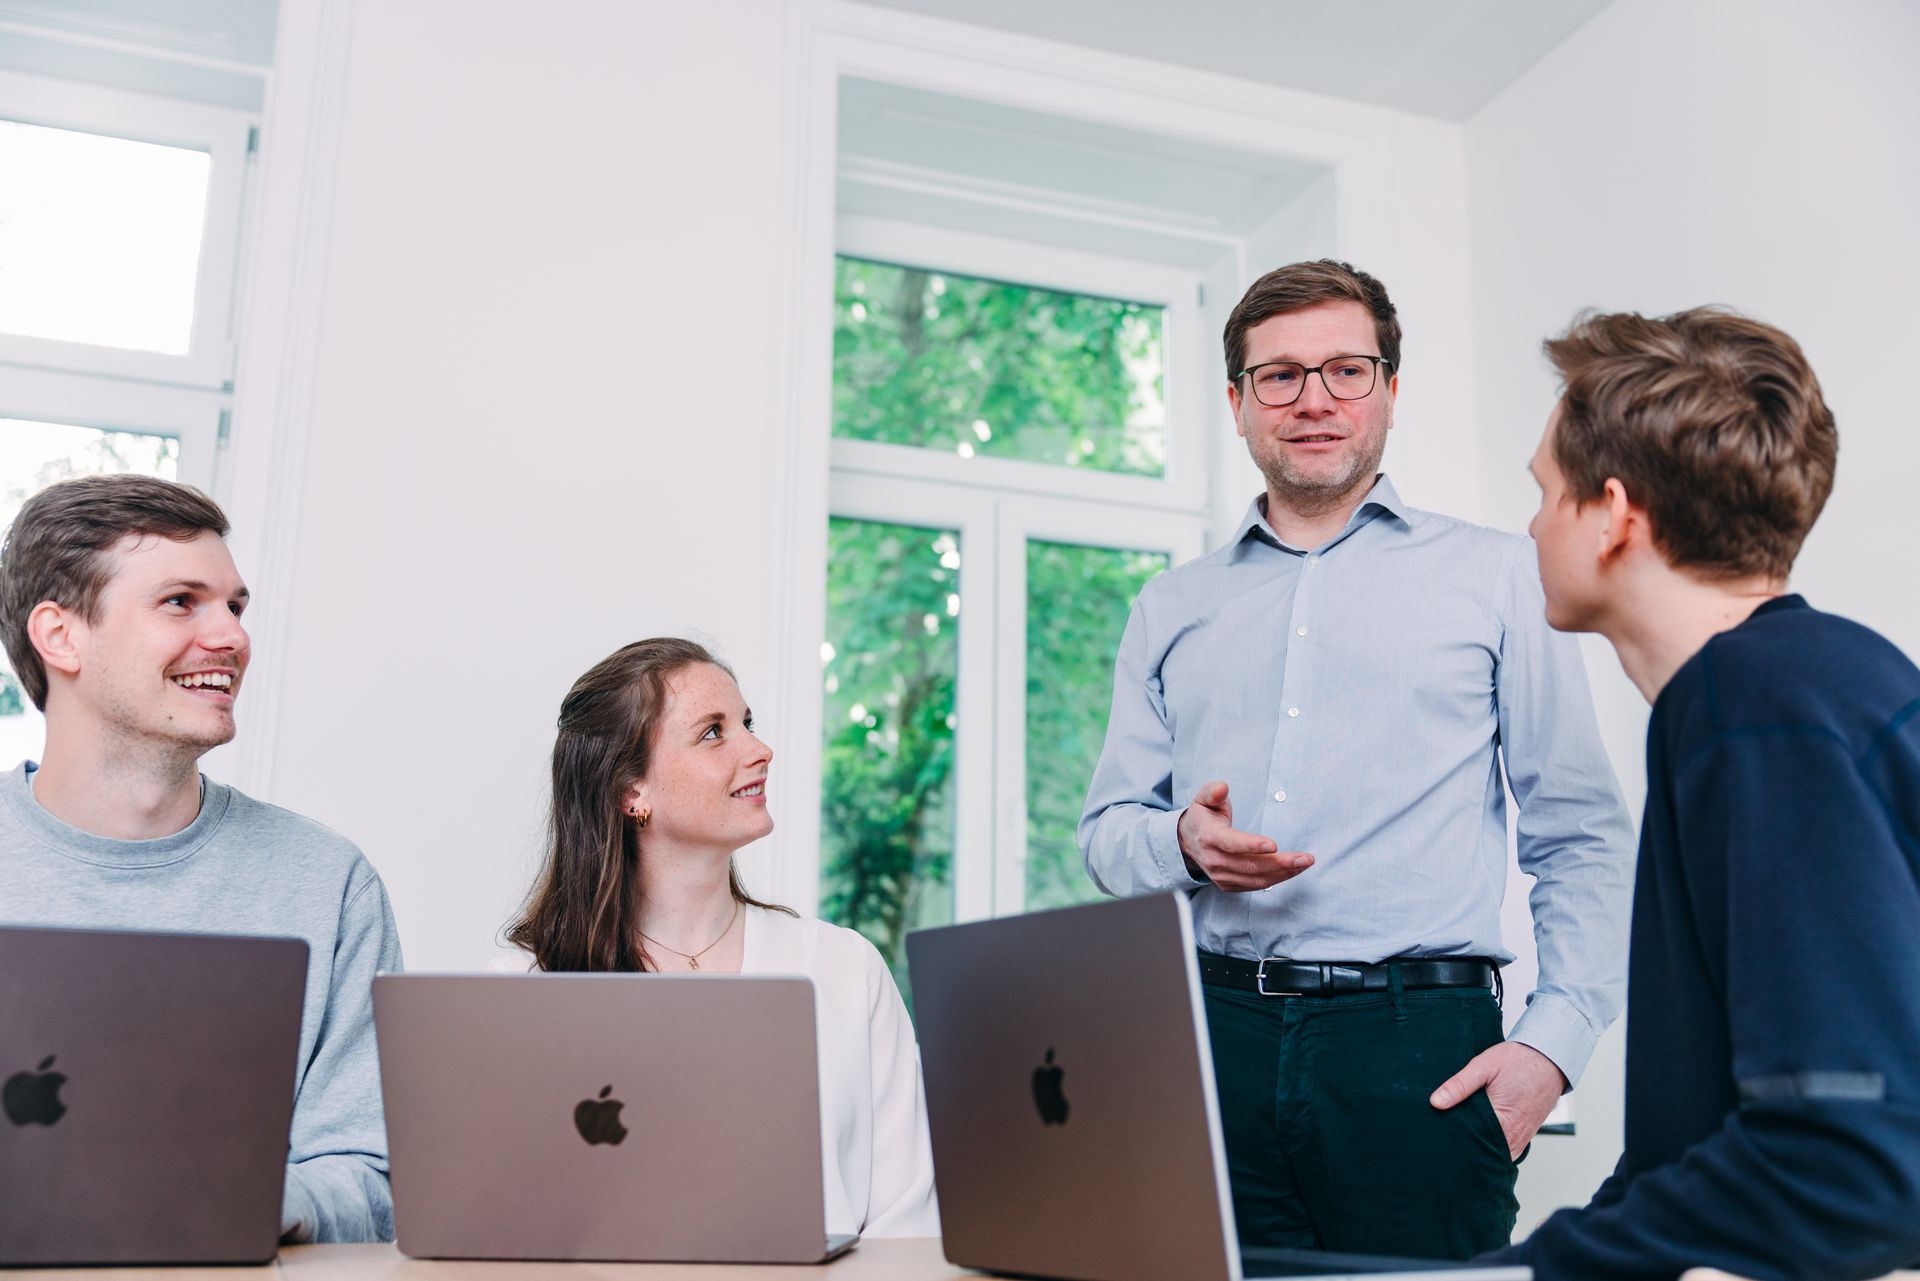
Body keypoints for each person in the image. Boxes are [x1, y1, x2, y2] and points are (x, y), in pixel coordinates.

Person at [1078, 259, 1635, 1259]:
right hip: (1208, 1039)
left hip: (1416, 1046)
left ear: (1389, 389)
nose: (1315, 400)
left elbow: (1583, 835)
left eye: (1346, 370)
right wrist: (1182, 844)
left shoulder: (1501, 574)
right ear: (1240, 403)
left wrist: (1553, 1048)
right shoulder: (1172, 606)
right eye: (1281, 377)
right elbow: (1108, 837)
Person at [1481, 307, 1920, 1279]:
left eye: (1546, 493)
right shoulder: (1810, 679)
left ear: (1615, 515)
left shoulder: (1755, 705)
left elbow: (1847, 1162)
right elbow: (1680, 1155)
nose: (1531, 523)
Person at [0, 474, 403, 1243]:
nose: (232, 636)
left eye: (236, 606)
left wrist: (256, 1196)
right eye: (182, 601)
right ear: (60, 636)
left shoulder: (328, 882)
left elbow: (375, 1173)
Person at [504, 637, 938, 1239]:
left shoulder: (845, 969)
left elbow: (907, 1224)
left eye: (748, 723)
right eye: (713, 732)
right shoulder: (524, 988)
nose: (760, 750)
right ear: (632, 792)